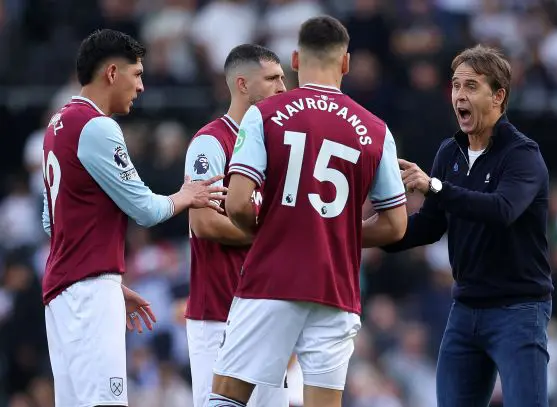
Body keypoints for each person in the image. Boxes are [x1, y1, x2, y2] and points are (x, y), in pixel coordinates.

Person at [208, 15, 408, 407]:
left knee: (228, 395)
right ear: (346, 63)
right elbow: (396, 224)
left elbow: (235, 202)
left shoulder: (264, 114)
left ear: (295, 59)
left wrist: (276, 226)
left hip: (272, 277)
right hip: (336, 286)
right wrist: (334, 229)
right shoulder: (376, 130)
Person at [41, 29, 226, 407]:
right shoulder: (98, 126)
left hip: (64, 292)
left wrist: (106, 279)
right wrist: (187, 195)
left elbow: (52, 221)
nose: (141, 86)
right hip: (86, 292)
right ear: (112, 73)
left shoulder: (56, 124)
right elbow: (145, 209)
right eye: (137, 74)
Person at [379, 45, 552, 407]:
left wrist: (434, 186)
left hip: (518, 310)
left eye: (471, 86)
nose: (460, 94)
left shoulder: (523, 154)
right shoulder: (450, 152)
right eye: (456, 86)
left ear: (498, 95)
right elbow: (428, 227)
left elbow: (502, 209)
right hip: (465, 310)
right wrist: (360, 234)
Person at [184, 43, 288, 407]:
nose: (282, 88)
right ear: (242, 84)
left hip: (268, 315)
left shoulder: (277, 147)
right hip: (218, 315)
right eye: (273, 79)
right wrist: (269, 237)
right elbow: (204, 222)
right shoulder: (211, 142)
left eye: (283, 79)